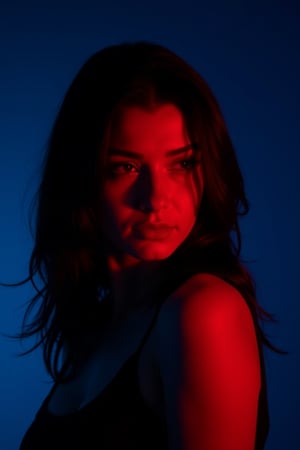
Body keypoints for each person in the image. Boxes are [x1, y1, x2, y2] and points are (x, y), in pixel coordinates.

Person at [14, 41, 278, 450]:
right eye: (126, 167)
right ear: (81, 178)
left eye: (183, 163)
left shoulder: (203, 311)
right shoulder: (101, 329)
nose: (156, 199)